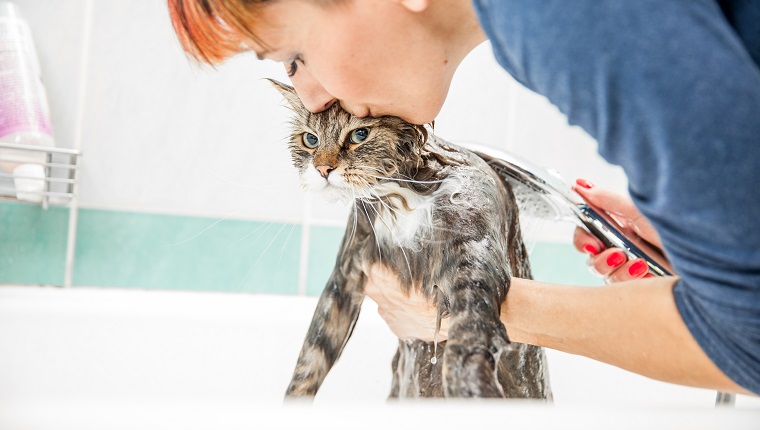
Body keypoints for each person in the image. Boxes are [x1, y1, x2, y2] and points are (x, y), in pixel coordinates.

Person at [167, 0, 760, 396]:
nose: (314, 99)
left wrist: (476, 312)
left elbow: (750, 343)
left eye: (294, 58)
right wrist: (716, 250)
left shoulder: (557, 18)